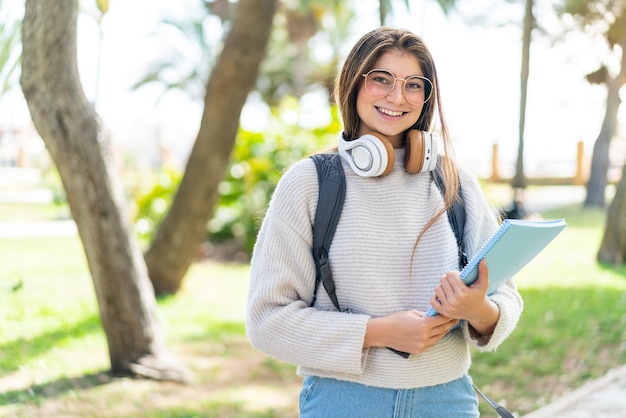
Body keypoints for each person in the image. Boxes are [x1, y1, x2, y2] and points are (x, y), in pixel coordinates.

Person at [246, 26, 523, 418]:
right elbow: (266, 321)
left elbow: (505, 298)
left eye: (414, 85)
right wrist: (378, 332)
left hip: (447, 401)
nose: (398, 97)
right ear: (353, 84)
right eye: (381, 79)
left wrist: (478, 310)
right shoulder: (309, 184)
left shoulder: (454, 183)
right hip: (343, 401)